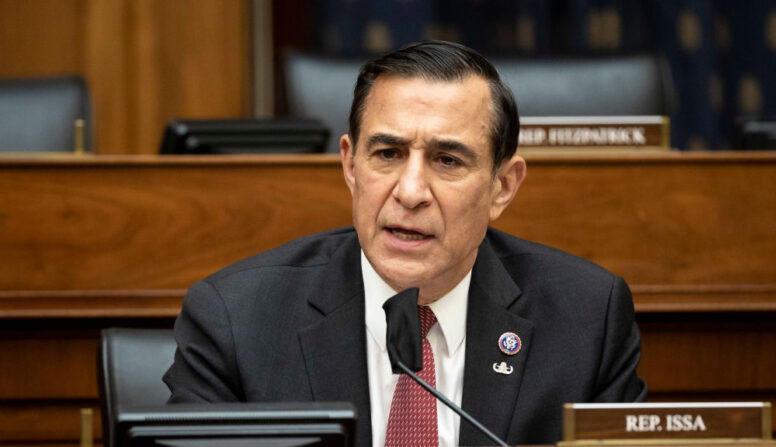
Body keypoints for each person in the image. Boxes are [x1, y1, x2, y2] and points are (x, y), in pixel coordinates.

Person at [163, 40, 646, 447]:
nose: (410, 192)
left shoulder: (586, 320)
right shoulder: (237, 320)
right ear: (351, 166)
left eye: (447, 161)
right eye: (388, 154)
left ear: (503, 186)